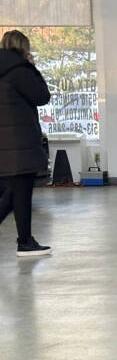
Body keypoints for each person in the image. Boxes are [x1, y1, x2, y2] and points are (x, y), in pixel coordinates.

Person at [0, 30, 51, 256]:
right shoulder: (19, 70)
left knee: (15, 192)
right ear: (24, 47)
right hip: (19, 142)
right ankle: (25, 242)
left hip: (5, 143)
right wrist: (32, 67)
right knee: (20, 192)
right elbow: (42, 96)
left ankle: (26, 240)